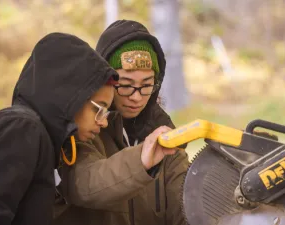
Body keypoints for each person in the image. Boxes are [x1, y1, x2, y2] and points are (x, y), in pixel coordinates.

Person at [0, 32, 120, 225]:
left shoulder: (42, 137)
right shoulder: (22, 130)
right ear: (70, 96)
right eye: (99, 109)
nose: (104, 122)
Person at [53, 20, 189, 225]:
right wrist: (141, 160)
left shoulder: (167, 140)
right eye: (125, 85)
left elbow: (187, 209)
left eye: (147, 85)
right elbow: (84, 185)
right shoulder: (83, 130)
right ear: (104, 81)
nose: (136, 97)